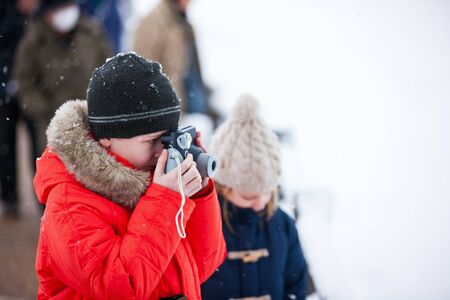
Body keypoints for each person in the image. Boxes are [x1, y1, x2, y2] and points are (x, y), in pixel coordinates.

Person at [34, 52, 226, 299]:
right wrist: (166, 201)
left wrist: (198, 194)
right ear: (106, 137)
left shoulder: (153, 179)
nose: (162, 150)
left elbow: (203, 265)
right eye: (152, 140)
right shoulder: (69, 202)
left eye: (169, 137)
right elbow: (118, 289)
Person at [201, 95, 309, 300]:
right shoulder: (203, 226)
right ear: (223, 188)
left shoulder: (282, 225)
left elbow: (295, 284)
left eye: (268, 192)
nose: (260, 203)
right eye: (248, 196)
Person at [13, 0, 112, 161]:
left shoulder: (92, 32)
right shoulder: (33, 42)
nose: (66, 13)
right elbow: (25, 83)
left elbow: (109, 69)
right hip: (53, 127)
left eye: (69, 6)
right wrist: (44, 111)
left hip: (95, 122)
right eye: (60, 8)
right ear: (47, 13)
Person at [132, 0, 215, 120]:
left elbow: (192, 67)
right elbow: (141, 70)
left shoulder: (182, 19)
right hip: (168, 105)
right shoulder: (153, 22)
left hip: (190, 99)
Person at [0, 0, 39, 217]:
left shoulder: (39, 13)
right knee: (5, 143)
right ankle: (9, 198)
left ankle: (42, 196)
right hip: (4, 85)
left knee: (39, 142)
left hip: (33, 85)